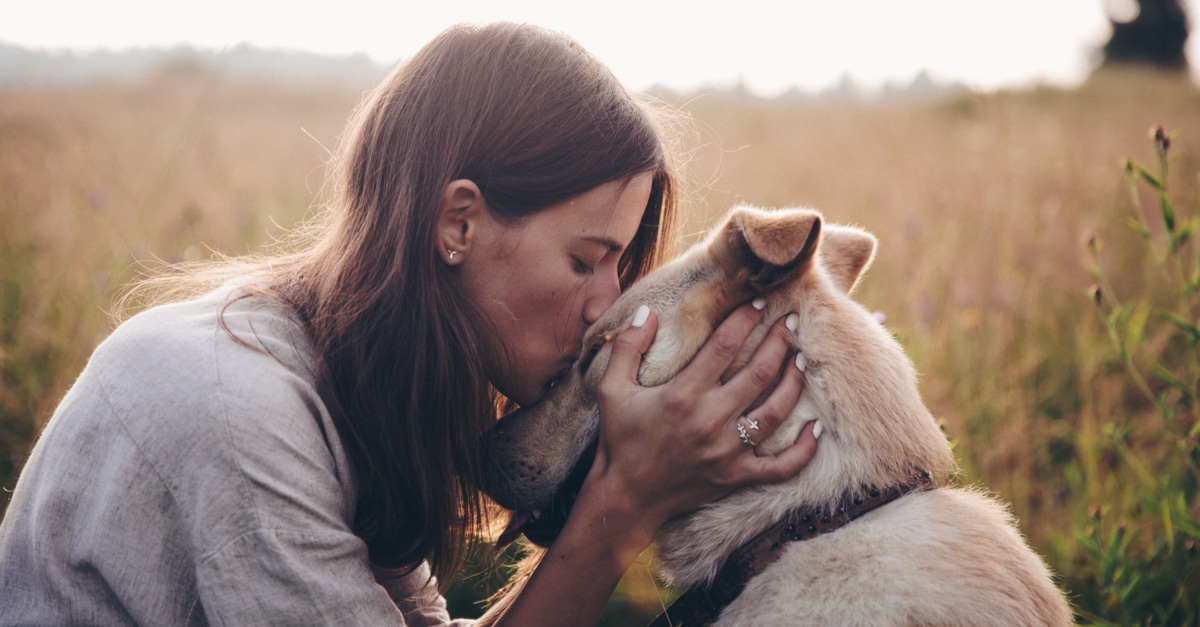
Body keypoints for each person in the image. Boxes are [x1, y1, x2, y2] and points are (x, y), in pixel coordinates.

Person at [0, 22, 818, 625]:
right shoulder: (236, 409)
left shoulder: (353, 389)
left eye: (619, 266)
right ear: (457, 223)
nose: (608, 303)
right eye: (584, 260)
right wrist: (620, 505)